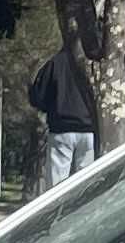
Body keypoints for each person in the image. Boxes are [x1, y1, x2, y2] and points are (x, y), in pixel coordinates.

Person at [27, 39, 98, 194]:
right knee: (86, 183)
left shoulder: (55, 63)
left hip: (61, 129)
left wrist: (50, 108)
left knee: (56, 184)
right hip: (89, 129)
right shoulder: (92, 63)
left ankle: (57, 216)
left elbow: (38, 97)